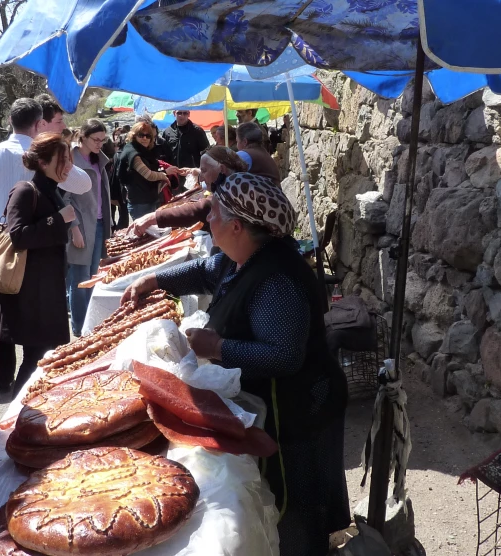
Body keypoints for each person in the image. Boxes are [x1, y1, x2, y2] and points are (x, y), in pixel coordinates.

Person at [121, 173, 350, 556]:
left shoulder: (277, 279)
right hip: (274, 404)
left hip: (298, 408)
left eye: (213, 213)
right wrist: (155, 279)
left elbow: (284, 355)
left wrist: (219, 346)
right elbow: (203, 272)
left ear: (237, 226)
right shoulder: (239, 259)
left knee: (295, 500)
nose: (206, 220)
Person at [0, 133, 76, 398]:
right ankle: (17, 420)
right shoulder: (24, 190)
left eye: (69, 159)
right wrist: (57, 219)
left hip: (49, 289)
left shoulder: (53, 190)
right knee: (35, 360)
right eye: (62, 159)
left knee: (45, 357)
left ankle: (31, 416)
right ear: (43, 162)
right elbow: (18, 235)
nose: (68, 165)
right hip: (31, 293)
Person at [0, 98, 90, 240]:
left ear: (10, 120)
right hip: (37, 237)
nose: (63, 126)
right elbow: (83, 184)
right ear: (40, 124)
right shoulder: (45, 155)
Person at [128, 146, 247, 235]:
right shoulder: (236, 186)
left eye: (204, 171)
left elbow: (199, 209)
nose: (201, 178)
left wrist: (153, 218)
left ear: (222, 169)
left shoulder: (232, 194)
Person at [64, 119, 112, 337]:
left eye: (103, 140)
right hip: (81, 226)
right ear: (82, 136)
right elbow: (64, 198)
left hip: (100, 223)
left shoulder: (99, 159)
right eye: (96, 139)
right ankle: (80, 327)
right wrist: (74, 228)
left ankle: (90, 322)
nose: (100, 144)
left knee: (93, 276)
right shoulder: (69, 159)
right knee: (80, 278)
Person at [117, 121, 179, 221]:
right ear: (134, 136)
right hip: (140, 203)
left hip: (147, 199)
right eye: (141, 135)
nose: (145, 138)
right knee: (145, 233)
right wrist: (164, 175)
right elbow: (148, 174)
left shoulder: (142, 151)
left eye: (148, 136)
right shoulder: (133, 153)